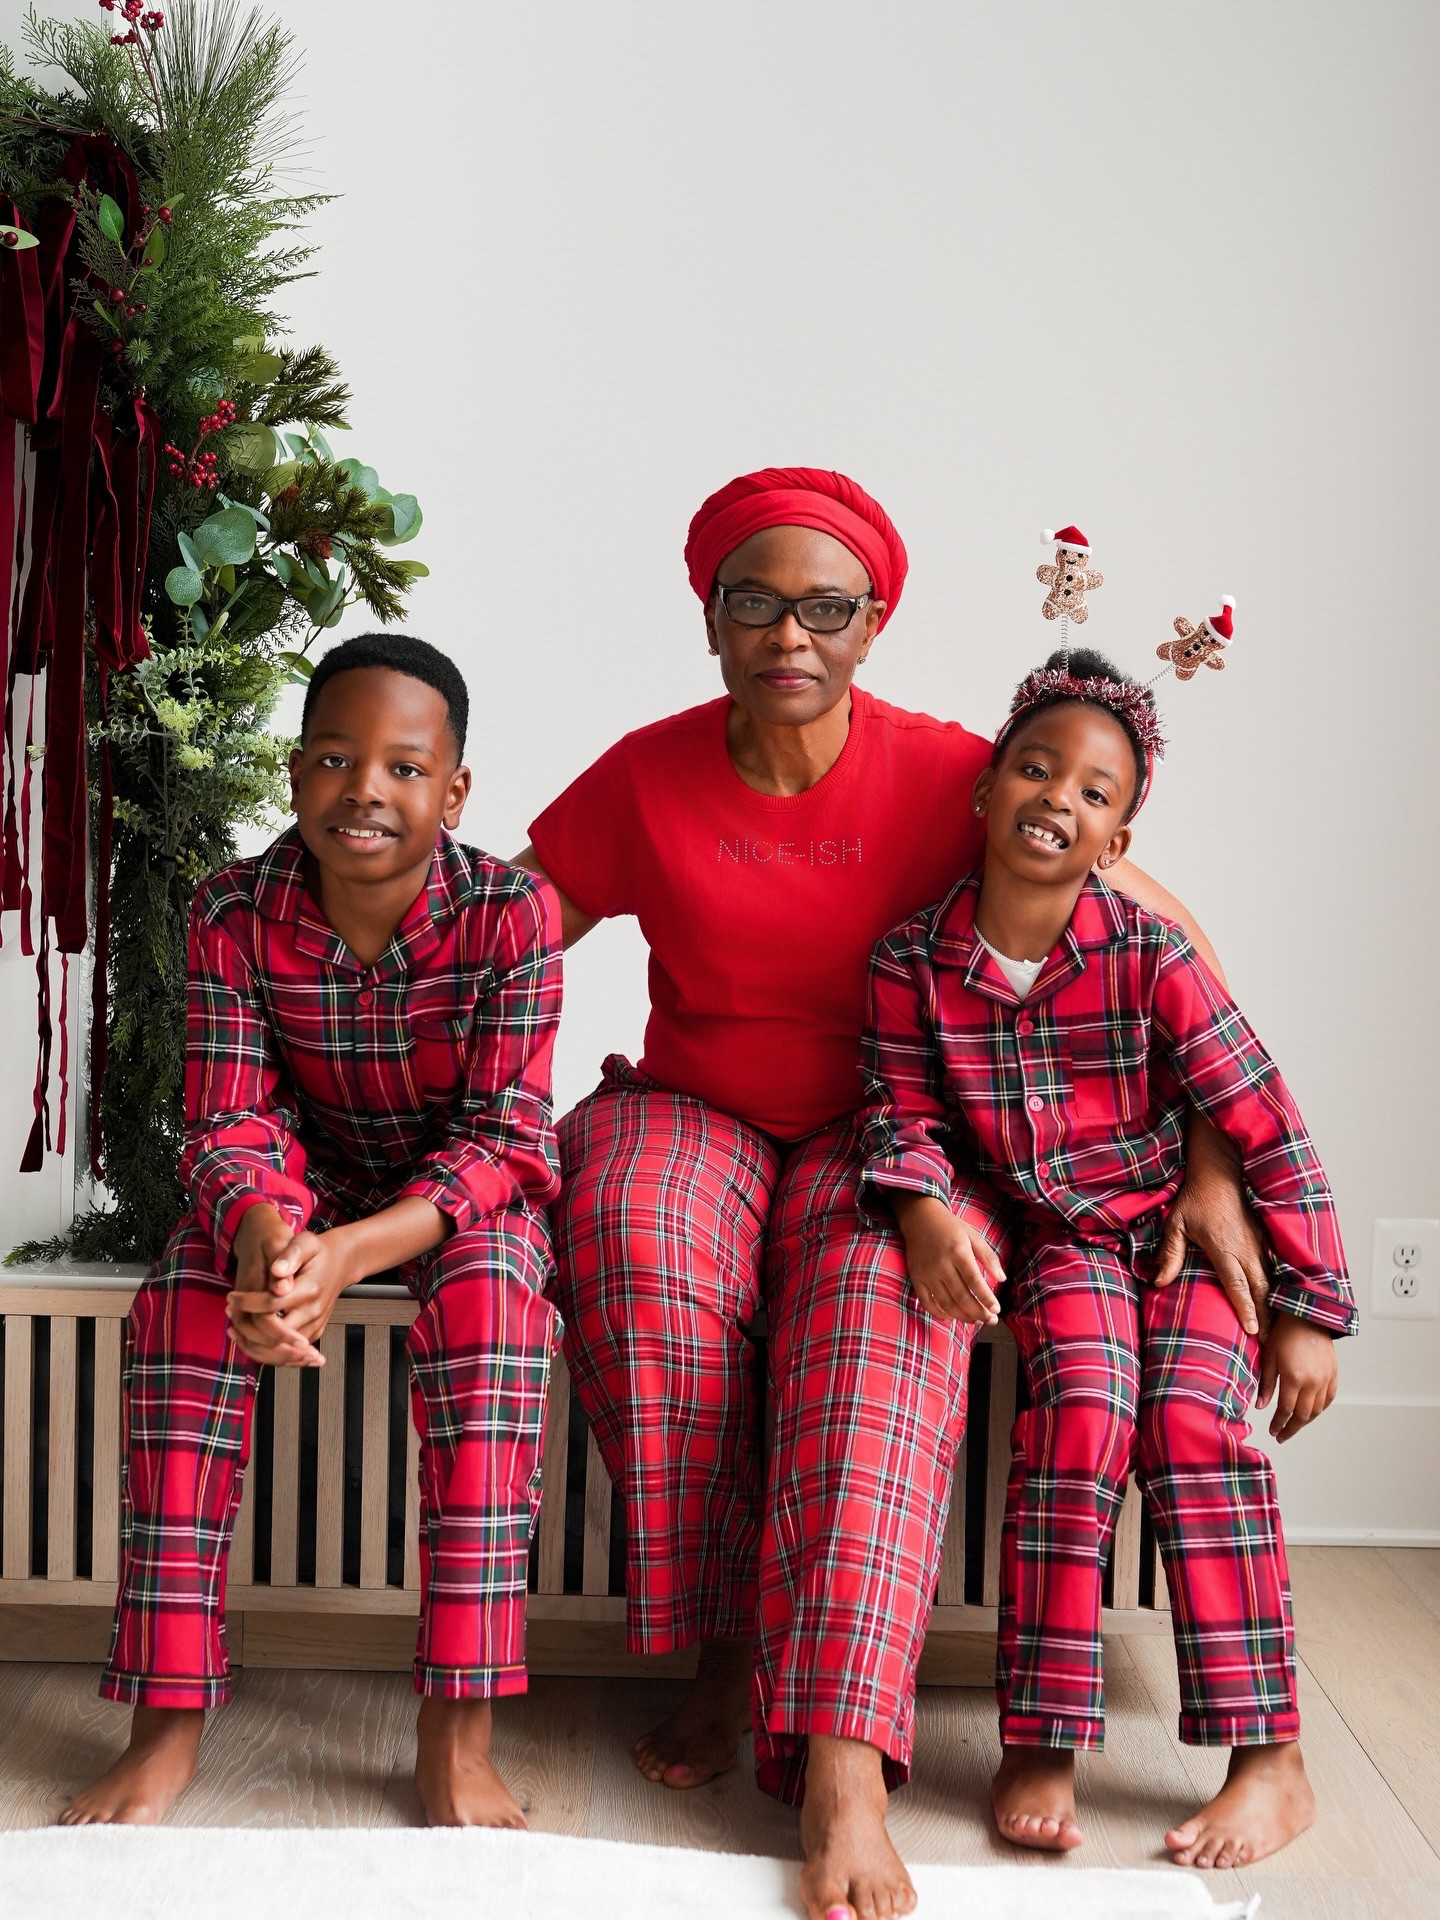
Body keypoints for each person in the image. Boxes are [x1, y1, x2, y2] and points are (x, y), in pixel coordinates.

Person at [516, 469, 1272, 1920]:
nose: (788, 633)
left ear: (875, 623)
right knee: (630, 1235)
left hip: (905, 1133)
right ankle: (728, 1651)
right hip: (696, 1104)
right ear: (711, 616)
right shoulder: (648, 771)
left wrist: (1213, 1169)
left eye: (825, 607)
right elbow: (509, 923)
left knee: (878, 1324)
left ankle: (848, 1761)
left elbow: (1173, 952)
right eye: (755, 601)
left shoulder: (953, 773)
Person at [860, 647, 1356, 1872]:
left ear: (1117, 834)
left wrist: (1311, 1310)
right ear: (985, 791)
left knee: (1194, 1427)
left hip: (1185, 1242)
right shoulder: (911, 962)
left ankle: (1269, 1757)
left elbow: (1264, 1119)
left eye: (1093, 792)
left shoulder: (1151, 954)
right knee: (1078, 1415)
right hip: (1064, 1244)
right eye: (1036, 768)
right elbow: (899, 1113)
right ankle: (1043, 1733)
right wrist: (923, 1209)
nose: (1057, 799)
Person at [62, 633, 563, 1830]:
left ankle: (457, 1732)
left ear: (455, 790)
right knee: (179, 1311)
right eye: (336, 760)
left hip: (454, 1202)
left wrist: (348, 1255)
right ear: (295, 776)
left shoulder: (511, 914)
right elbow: (229, 1118)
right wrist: (262, 1245)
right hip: (290, 1194)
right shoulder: (234, 908)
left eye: (402, 767)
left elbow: (503, 1138)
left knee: (494, 1316)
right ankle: (166, 1721)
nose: (366, 791)